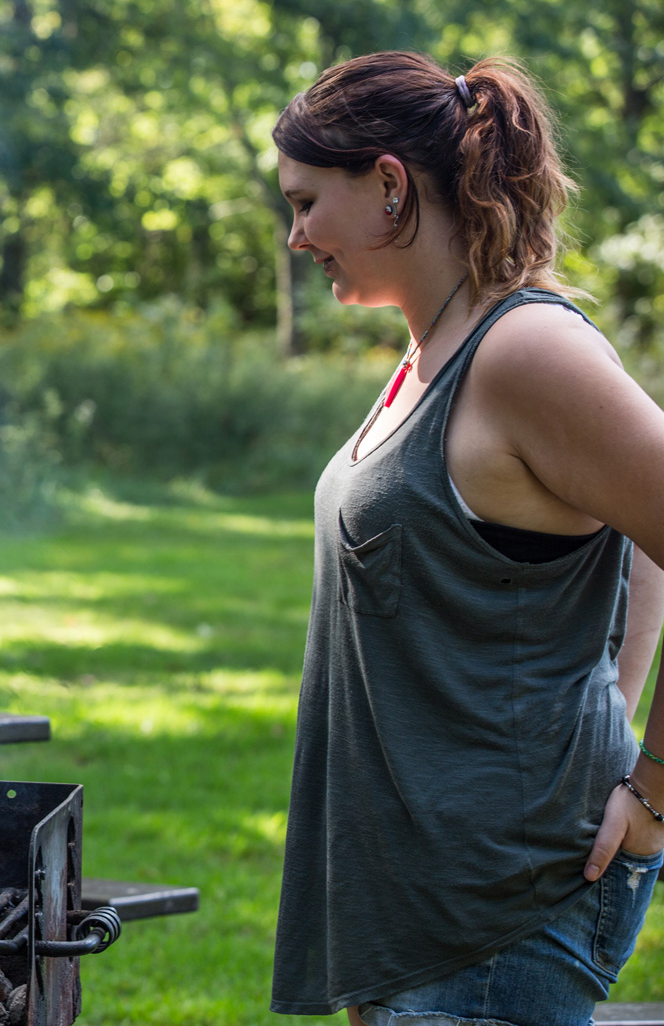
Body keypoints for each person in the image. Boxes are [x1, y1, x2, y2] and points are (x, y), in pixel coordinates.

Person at [269, 51, 664, 1026]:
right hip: (414, 902)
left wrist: (649, 788)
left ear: (389, 186)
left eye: (307, 201)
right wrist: (608, 689)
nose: (296, 235)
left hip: (498, 907)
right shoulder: (433, 349)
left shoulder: (525, 350)